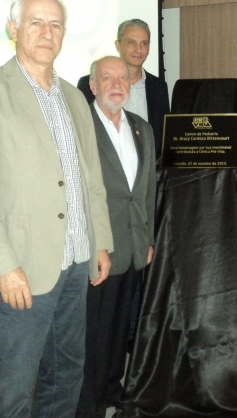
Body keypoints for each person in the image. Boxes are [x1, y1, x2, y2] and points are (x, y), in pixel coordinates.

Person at [0, 0, 113, 417]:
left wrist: (100, 241)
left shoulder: (74, 97)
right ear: (13, 29)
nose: (46, 32)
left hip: (76, 261)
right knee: (14, 389)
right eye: (36, 22)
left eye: (55, 24)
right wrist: (2, 264)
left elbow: (90, 179)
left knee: (66, 376)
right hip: (21, 266)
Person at [76, 56, 156, 417]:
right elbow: (77, 194)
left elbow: (147, 191)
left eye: (123, 78)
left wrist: (148, 239)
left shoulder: (141, 128)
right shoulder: (81, 127)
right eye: (107, 78)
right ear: (93, 86)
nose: (116, 84)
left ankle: (111, 388)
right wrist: (97, 245)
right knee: (93, 331)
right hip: (99, 250)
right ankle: (88, 403)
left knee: (120, 326)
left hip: (134, 247)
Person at [77, 19, 170, 157]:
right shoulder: (88, 84)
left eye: (144, 43)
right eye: (131, 42)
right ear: (118, 45)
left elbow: (163, 137)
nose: (138, 50)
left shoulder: (159, 87)